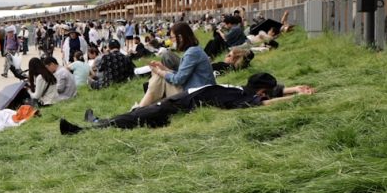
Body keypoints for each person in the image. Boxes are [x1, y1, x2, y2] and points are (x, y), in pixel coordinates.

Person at [60, 73, 315, 134]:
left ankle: (87, 129)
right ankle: (96, 124)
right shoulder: (244, 93)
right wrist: (294, 92)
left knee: (137, 118)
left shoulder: (242, 92)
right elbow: (267, 98)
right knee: (139, 116)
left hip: (179, 104)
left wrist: (294, 93)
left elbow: (264, 102)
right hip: (180, 101)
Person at [140, 22, 215, 106]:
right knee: (161, 76)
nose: (171, 41)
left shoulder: (192, 53)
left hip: (198, 94)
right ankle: (141, 108)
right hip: (198, 90)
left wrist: (160, 72)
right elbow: (182, 75)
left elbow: (178, 80)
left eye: (172, 37)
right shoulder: (194, 50)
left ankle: (139, 109)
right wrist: (164, 69)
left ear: (180, 37)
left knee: (159, 77)